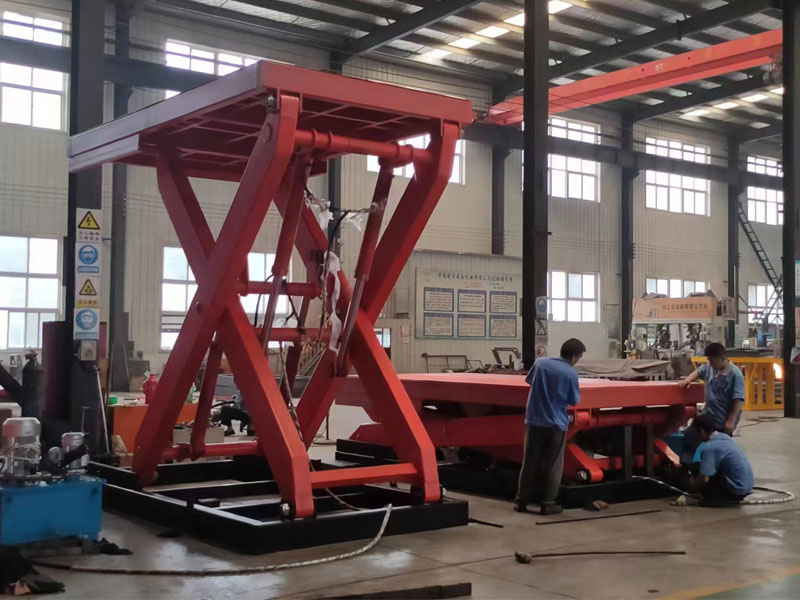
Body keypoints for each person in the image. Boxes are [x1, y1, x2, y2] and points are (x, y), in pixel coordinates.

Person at [514, 338, 586, 515]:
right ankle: (548, 503)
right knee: (553, 464)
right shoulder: (570, 374)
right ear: (574, 357)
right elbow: (574, 400)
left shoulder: (541, 364)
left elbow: (529, 381)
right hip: (555, 423)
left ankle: (521, 501)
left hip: (534, 420)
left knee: (529, 461)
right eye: (579, 357)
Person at [677, 342, 745, 465]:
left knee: (719, 451)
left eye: (712, 360)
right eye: (708, 360)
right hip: (708, 417)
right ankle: (688, 466)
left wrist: (731, 420)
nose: (710, 363)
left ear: (723, 358)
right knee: (690, 436)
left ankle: (715, 471)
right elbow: (699, 372)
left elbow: (738, 399)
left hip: (722, 421)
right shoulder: (710, 367)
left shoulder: (735, 375)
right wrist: (688, 380)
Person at [683, 412, 753, 506]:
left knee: (704, 483)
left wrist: (690, 486)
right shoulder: (723, 437)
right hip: (746, 487)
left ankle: (718, 499)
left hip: (736, 491)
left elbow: (704, 479)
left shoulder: (710, 447)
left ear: (702, 431)